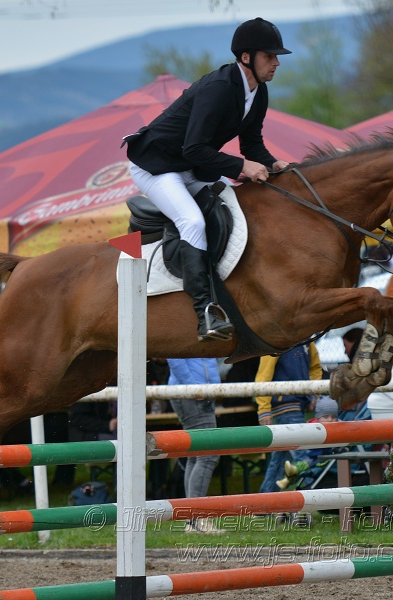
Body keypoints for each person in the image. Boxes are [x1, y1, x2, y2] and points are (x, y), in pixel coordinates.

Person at [122, 17, 291, 342]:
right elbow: (195, 148)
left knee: (237, 209)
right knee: (192, 222)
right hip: (155, 166)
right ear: (247, 57)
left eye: (276, 56)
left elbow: (252, 143)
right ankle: (205, 313)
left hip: (189, 166)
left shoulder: (258, 92)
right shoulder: (218, 89)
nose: (276, 62)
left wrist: (273, 163)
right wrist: (243, 167)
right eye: (270, 56)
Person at [166, 356, 224, 534]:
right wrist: (192, 387)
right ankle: (196, 518)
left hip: (200, 391)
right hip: (192, 393)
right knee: (208, 455)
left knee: (197, 455)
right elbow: (174, 358)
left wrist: (213, 387)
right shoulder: (183, 328)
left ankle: (193, 520)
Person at [255, 342, 322, 494]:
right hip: (285, 405)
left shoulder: (307, 341)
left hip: (295, 405)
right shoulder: (276, 341)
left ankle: (265, 500)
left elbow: (315, 367)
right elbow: (263, 376)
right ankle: (311, 497)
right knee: (303, 455)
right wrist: (264, 408)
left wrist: (313, 393)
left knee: (280, 458)